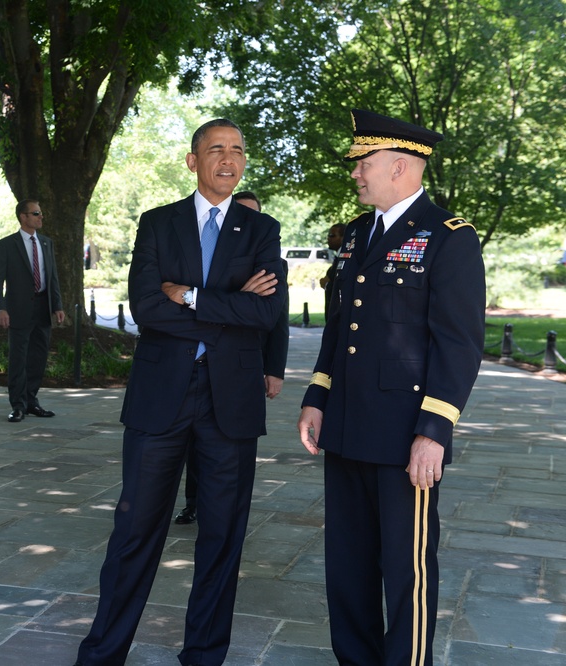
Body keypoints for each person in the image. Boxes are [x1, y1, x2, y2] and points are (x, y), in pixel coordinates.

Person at [73, 119, 286, 666]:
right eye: (216, 149)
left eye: (237, 150)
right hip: (160, 397)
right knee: (135, 531)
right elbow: (146, 308)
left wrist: (189, 296)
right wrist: (226, 305)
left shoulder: (261, 231)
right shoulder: (158, 224)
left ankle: (204, 656)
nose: (228, 159)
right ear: (192, 161)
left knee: (221, 539)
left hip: (230, 404)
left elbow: (265, 313)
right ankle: (102, 653)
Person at [297, 109, 485, 666]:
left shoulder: (449, 237)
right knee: (347, 567)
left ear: (400, 166)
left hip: (406, 437)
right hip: (348, 426)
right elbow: (340, 327)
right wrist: (316, 396)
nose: (355, 173)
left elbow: (459, 344)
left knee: (406, 571)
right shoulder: (357, 235)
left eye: (365, 163)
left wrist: (434, 431)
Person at [174, 189, 289, 526]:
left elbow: (275, 320)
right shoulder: (203, 257)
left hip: (242, 363)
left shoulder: (272, 265)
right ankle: (193, 501)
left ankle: (219, 511)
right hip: (196, 362)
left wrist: (275, 369)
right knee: (195, 445)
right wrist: (239, 300)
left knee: (228, 446)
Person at [0, 199, 65, 422]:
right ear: (23, 217)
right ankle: (18, 405)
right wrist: (0, 309)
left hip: (43, 308)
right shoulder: (6, 245)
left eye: (40, 213)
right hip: (18, 310)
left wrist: (58, 305)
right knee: (18, 359)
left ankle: (32, 401)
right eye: (36, 213)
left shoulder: (46, 243)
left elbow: (52, 277)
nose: (41, 217)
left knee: (38, 358)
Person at [319, 223, 346, 318]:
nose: (328, 238)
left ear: (344, 237)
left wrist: (326, 284)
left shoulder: (346, 259)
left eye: (332, 235)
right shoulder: (338, 257)